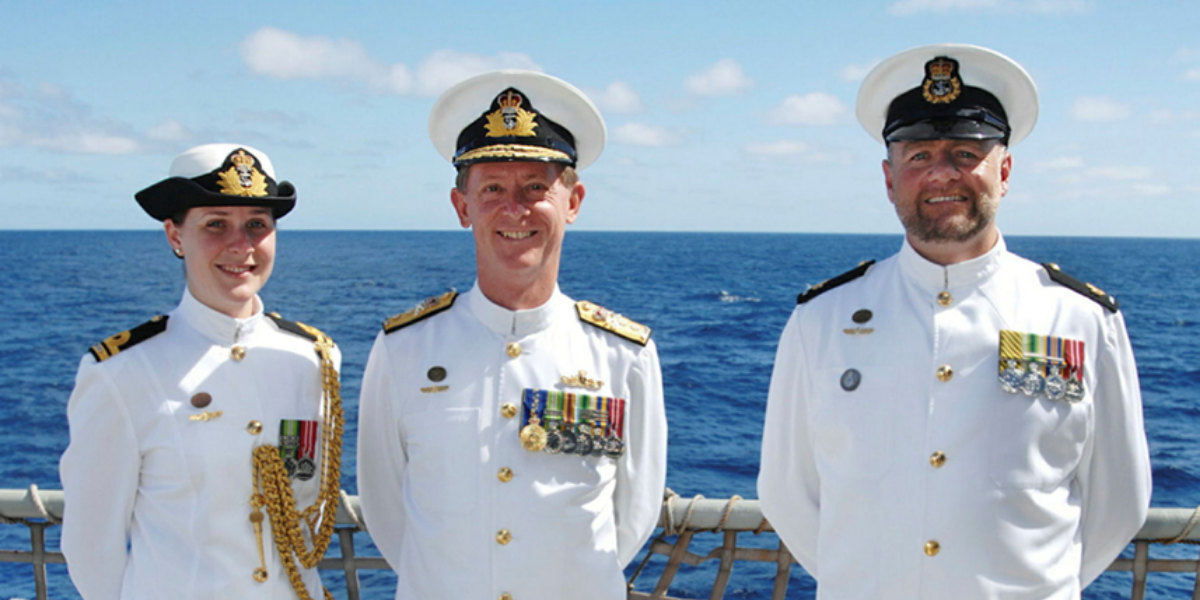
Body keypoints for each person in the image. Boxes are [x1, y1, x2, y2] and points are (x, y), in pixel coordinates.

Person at [757, 44, 1151, 599]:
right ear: (890, 179)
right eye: (918, 156)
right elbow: (786, 491)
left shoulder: (1082, 320)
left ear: (1005, 171)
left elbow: (1119, 501)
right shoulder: (821, 320)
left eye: (966, 153)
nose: (942, 173)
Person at [356, 70, 668, 600]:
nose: (514, 209)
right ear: (462, 207)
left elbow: (632, 516)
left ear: (573, 202)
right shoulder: (404, 350)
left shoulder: (623, 355)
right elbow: (386, 509)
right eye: (493, 189)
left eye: (535, 188)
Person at [59, 143, 344, 600]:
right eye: (216, 224)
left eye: (257, 225)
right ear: (174, 236)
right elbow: (91, 546)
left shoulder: (313, 359)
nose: (241, 245)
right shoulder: (123, 372)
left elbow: (307, 502)